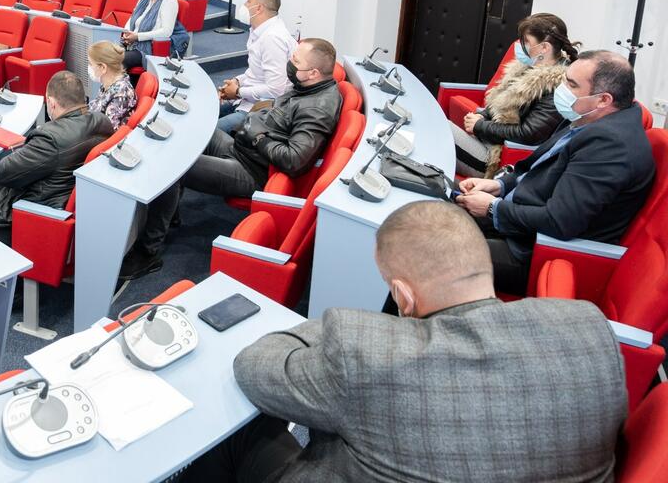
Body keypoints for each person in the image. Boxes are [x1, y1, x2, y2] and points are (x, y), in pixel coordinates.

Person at [183, 200, 627, 483]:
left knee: (237, 431)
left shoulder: (369, 353)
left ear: (403, 295)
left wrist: (333, 327)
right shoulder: (588, 328)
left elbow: (255, 366)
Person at [123, 39, 342, 279]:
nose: (289, 63)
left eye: (295, 61)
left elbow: (295, 160)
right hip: (243, 148)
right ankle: (168, 210)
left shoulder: (317, 108)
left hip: (251, 170)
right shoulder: (305, 85)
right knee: (192, 130)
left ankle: (147, 252)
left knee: (174, 167)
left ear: (313, 72)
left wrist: (259, 138)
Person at [456, 49, 654, 295]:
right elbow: (536, 167)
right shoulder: (586, 115)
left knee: (434, 249)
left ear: (603, 99)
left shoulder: (612, 147)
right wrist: (501, 185)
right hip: (516, 216)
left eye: (571, 84)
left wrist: (492, 208)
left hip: (534, 250)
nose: (561, 89)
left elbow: (560, 221)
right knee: (433, 201)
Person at [0, 71, 112, 244]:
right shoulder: (102, 122)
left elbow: (3, 173)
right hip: (58, 194)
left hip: (36, 215)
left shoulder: (50, 138)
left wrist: (27, 147)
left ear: (51, 103)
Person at [452, 13, 576, 177]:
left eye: (526, 42)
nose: (520, 46)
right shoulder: (526, 68)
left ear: (544, 48)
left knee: (442, 130)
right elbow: (499, 102)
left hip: (497, 157)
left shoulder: (555, 86)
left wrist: (480, 126)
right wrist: (482, 115)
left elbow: (528, 134)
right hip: (488, 140)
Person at [216, 0, 297, 134]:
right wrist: (237, 81)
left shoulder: (272, 39)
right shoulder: (259, 31)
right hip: (247, 99)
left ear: (258, 8)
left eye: (248, 1)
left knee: (208, 132)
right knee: (204, 112)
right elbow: (257, 71)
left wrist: (238, 91)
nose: (244, 5)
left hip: (261, 110)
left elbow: (275, 90)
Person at [120, 0, 180, 70]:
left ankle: (121, 80)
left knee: (116, 59)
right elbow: (132, 18)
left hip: (148, 49)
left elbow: (166, 32)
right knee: (103, 54)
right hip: (132, 43)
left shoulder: (169, 0)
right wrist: (127, 34)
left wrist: (137, 36)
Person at [87, 41, 137, 130]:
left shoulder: (121, 94)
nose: (89, 67)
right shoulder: (107, 83)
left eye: (90, 64)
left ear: (103, 68)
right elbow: (96, 106)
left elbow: (108, 131)